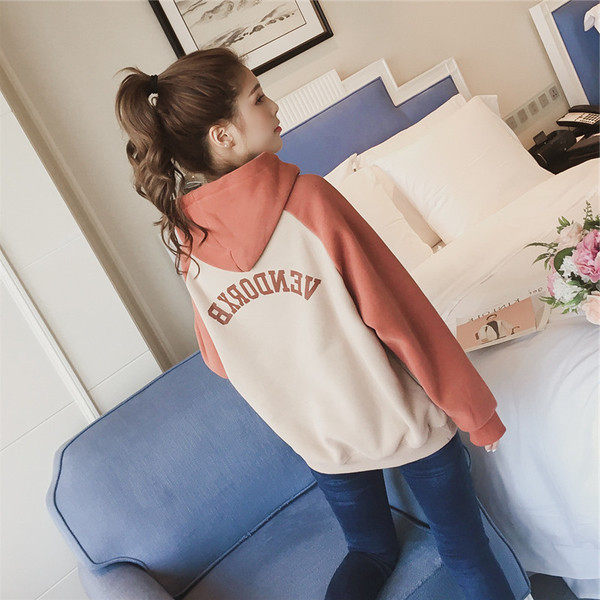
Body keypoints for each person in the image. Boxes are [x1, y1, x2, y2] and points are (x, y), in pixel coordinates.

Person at [114, 47, 511, 600]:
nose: (274, 106)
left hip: (322, 442)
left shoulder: (187, 243)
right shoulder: (310, 200)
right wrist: (477, 413)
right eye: (258, 98)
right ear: (223, 135)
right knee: (464, 549)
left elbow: (219, 359)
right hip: (406, 425)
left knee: (368, 553)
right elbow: (403, 318)